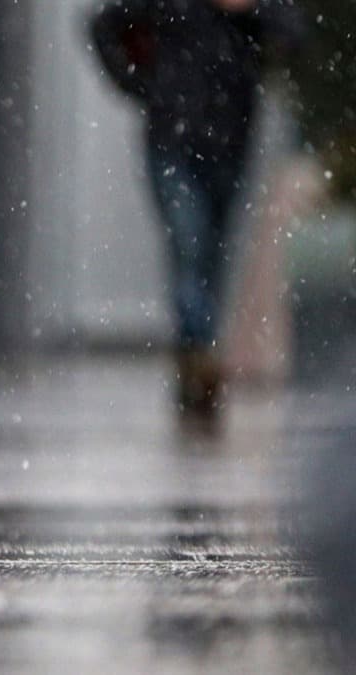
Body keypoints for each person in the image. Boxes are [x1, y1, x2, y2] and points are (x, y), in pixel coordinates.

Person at [90, 0, 302, 429]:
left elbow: (292, 33)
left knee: (213, 252)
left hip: (230, 141)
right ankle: (199, 351)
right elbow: (104, 27)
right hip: (172, 140)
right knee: (189, 244)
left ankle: (198, 346)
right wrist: (143, 85)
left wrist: (250, 12)